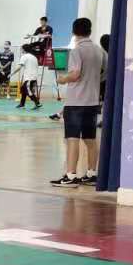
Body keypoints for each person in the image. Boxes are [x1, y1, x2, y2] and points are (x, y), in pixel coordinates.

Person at [50, 17, 106, 187]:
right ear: (90, 31)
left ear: (74, 32)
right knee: (90, 139)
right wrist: (94, 81)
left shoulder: (76, 51)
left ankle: (70, 175)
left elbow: (75, 74)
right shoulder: (99, 51)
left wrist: (62, 79)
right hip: (92, 102)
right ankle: (91, 174)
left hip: (75, 102)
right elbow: (106, 72)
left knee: (72, 139)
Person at [15, 43, 42, 108]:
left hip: (29, 77)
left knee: (28, 91)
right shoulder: (34, 57)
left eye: (21, 49)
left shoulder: (24, 56)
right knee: (23, 89)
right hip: (33, 77)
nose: (21, 50)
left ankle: (37, 103)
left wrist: (12, 74)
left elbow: (19, 67)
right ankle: (22, 104)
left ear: (24, 49)